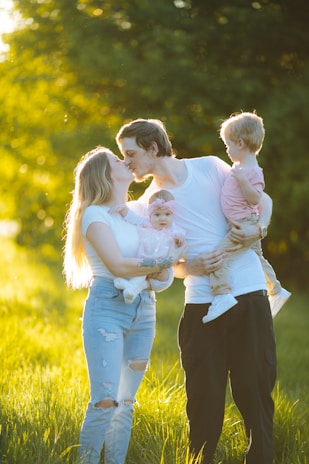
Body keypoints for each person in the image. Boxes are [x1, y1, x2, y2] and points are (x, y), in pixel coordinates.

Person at [116, 118, 277, 464]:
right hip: (201, 302)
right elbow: (162, 262)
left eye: (130, 154)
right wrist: (189, 267)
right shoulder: (150, 202)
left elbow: (261, 200)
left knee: (254, 388)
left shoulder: (210, 167)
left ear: (153, 148)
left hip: (247, 291)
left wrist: (260, 229)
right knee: (203, 397)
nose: (126, 162)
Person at [63, 146, 185, 464]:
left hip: (144, 308)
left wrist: (163, 266)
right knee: (105, 400)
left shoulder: (136, 215)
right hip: (107, 307)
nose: (125, 161)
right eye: (117, 160)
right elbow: (117, 266)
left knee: (125, 400)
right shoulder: (93, 214)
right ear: (104, 174)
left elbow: (160, 269)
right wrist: (164, 260)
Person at [202, 111, 291, 323]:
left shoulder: (252, 171)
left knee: (219, 257)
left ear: (240, 143)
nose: (227, 150)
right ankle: (276, 289)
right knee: (258, 258)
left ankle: (222, 294)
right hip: (245, 221)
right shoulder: (241, 167)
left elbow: (255, 198)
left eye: (228, 145)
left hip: (243, 224)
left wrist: (242, 181)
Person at [111, 189, 186, 304]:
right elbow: (133, 218)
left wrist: (179, 239)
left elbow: (180, 238)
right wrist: (123, 209)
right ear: (150, 215)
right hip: (145, 263)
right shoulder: (146, 224)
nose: (162, 218)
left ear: (173, 215)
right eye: (157, 215)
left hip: (163, 270)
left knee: (156, 275)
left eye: (167, 214)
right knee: (140, 271)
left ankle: (132, 287)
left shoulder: (174, 230)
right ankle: (132, 288)